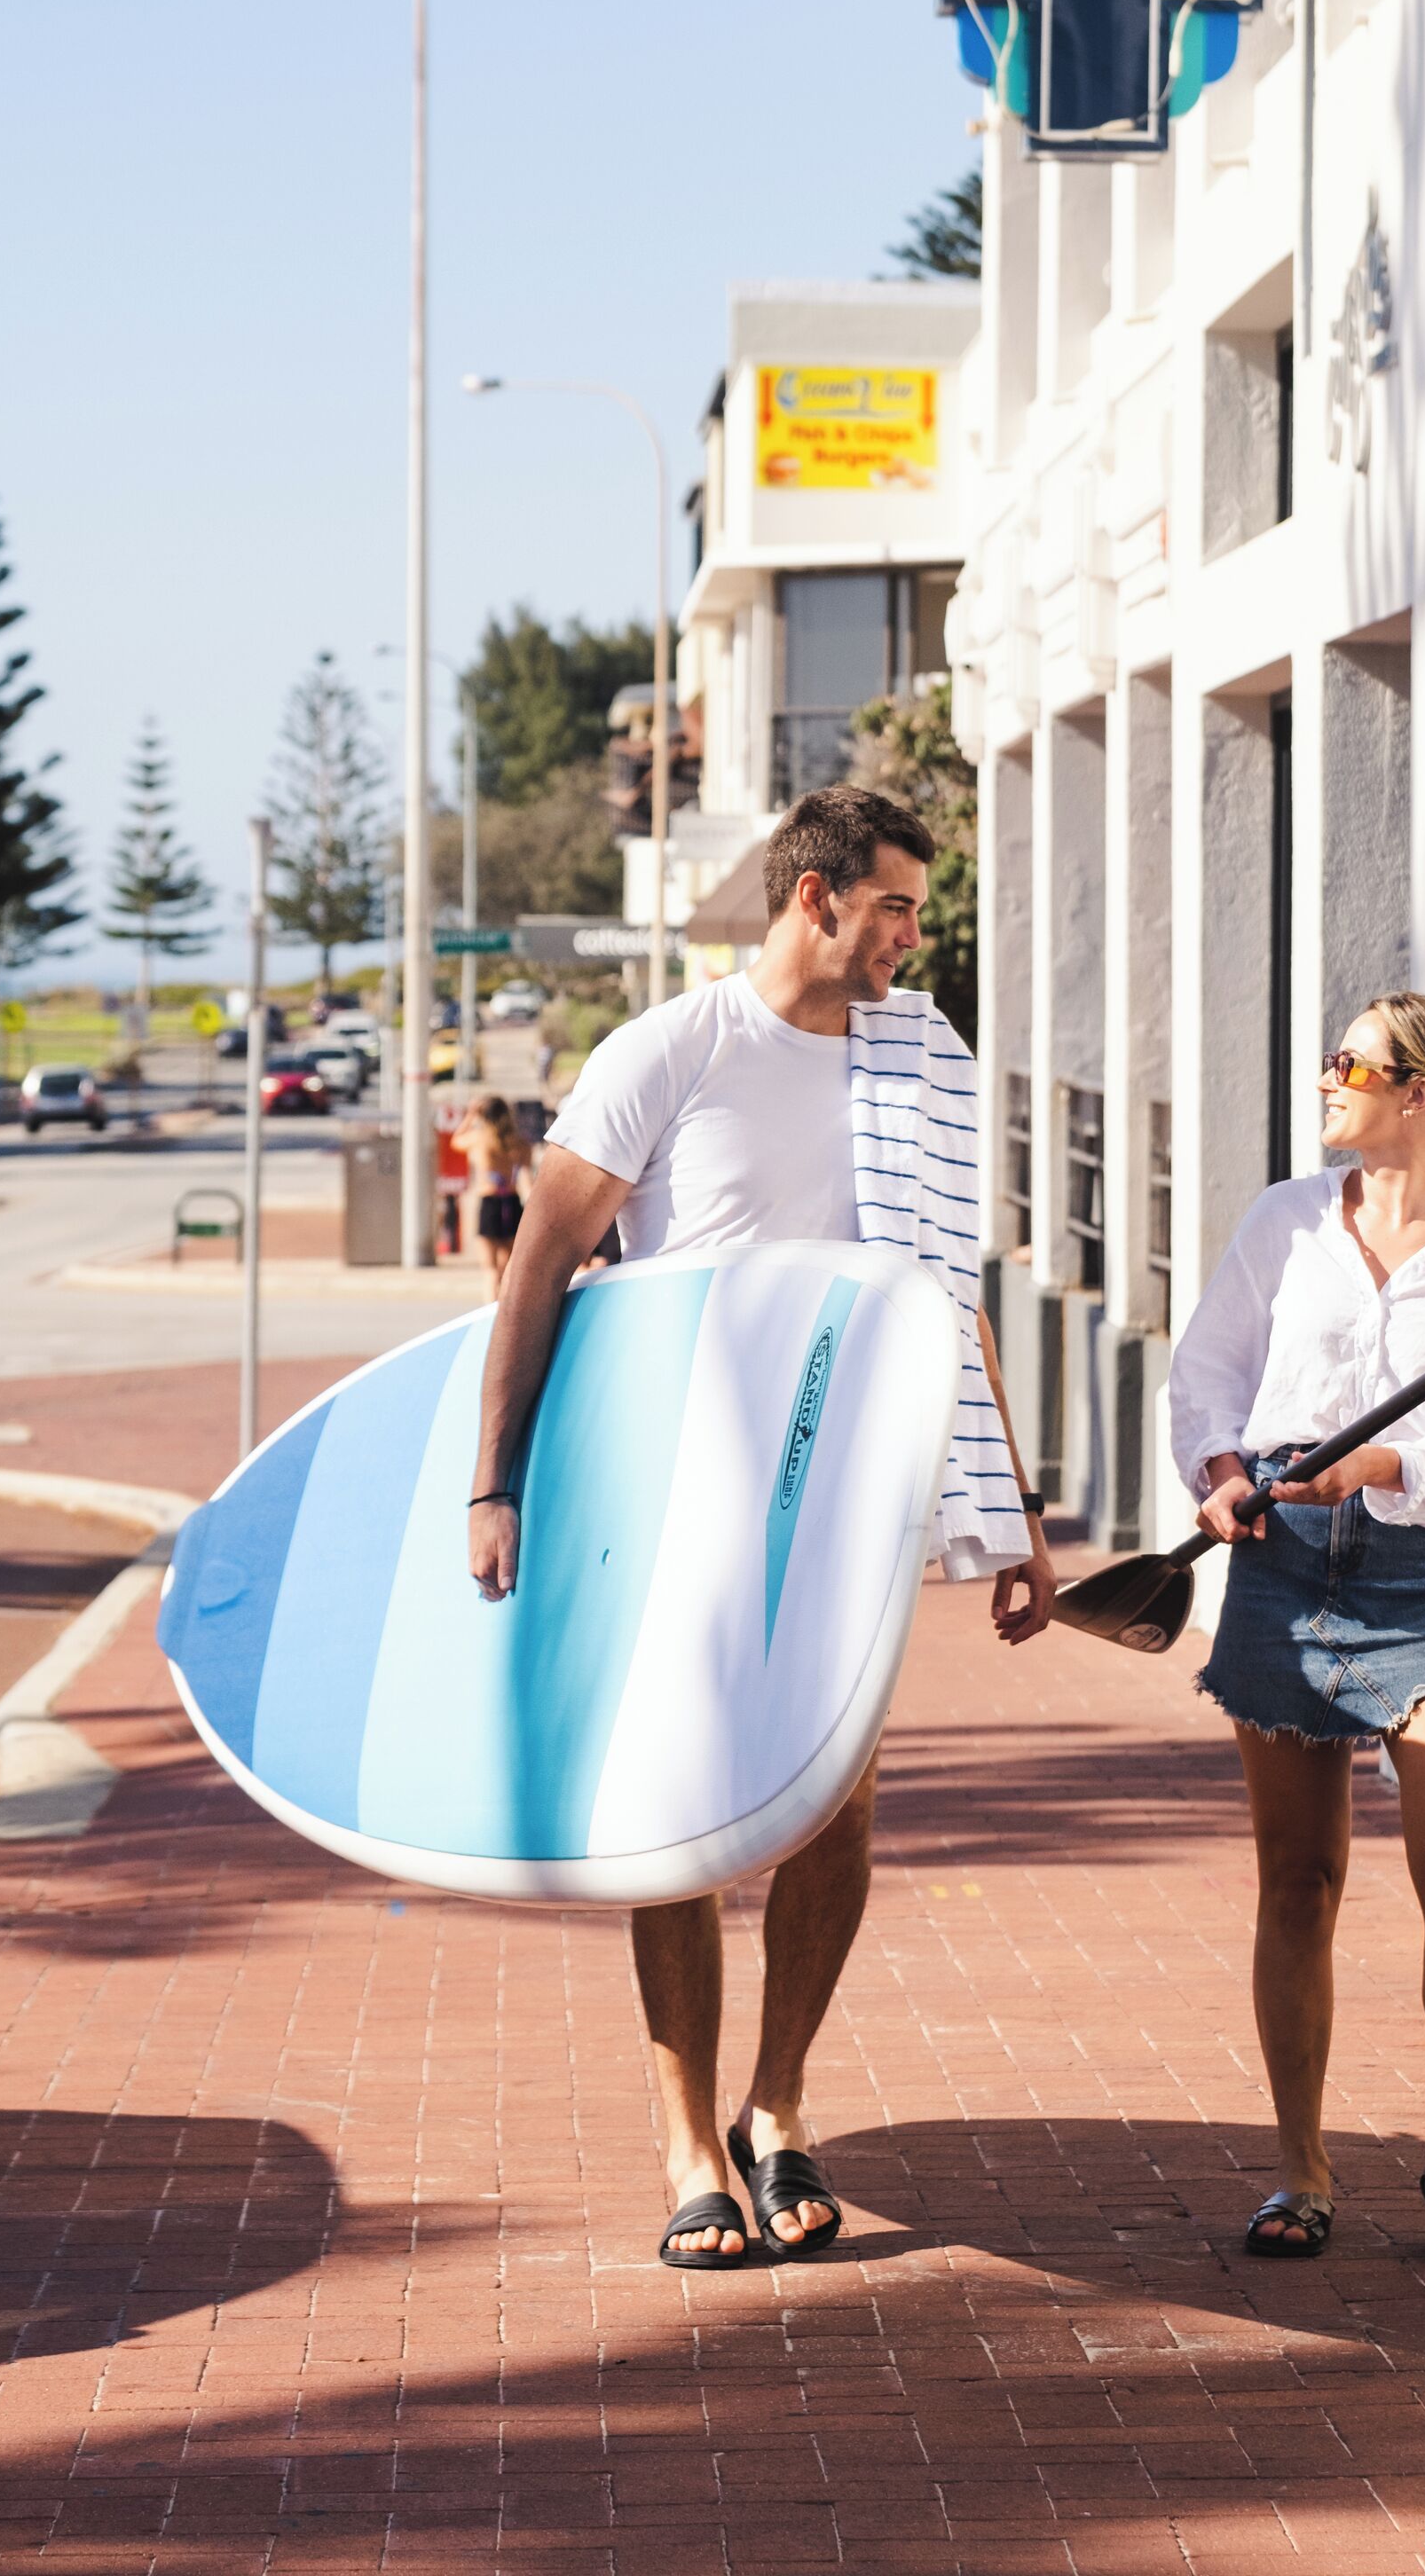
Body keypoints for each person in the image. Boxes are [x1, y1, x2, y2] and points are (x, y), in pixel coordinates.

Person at [465, 785, 1056, 2268]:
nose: (911, 936)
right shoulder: (675, 1050)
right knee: (681, 1817)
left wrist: (1015, 1510)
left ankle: (776, 2104)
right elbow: (541, 1264)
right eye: (894, 906)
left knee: (834, 1806)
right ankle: (687, 2146)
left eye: (915, 910)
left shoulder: (921, 1063)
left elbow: (951, 1295)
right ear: (814, 897)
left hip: (857, 1496)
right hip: (684, 1496)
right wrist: (497, 1483)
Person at [1170, 993, 1425, 2269]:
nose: (1327, 1079)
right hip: (1280, 1560)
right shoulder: (1286, 1220)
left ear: (1418, 1092)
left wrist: (1381, 1463)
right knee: (1300, 1879)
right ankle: (1301, 2167)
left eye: (1350, 1063)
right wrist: (1221, 1470)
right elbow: (1209, 1370)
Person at [453, 1091, 532, 1298]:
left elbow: (456, 1140)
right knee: (507, 1268)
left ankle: (491, 1309)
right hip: (512, 1202)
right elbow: (526, 1175)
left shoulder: (479, 1138)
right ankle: (504, 1308)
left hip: (490, 1203)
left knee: (490, 1270)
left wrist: (470, 1115)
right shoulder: (520, 1142)